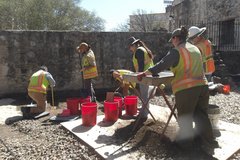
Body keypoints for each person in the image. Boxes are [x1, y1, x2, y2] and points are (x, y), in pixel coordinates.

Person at [137, 26, 218, 151]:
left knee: (185, 117)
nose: (172, 42)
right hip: (203, 86)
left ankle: (186, 146)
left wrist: (145, 73)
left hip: (187, 89)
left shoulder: (177, 51)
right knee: (201, 115)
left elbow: (162, 65)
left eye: (172, 39)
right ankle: (209, 142)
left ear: (176, 38)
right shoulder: (195, 48)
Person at [127, 36, 154, 121]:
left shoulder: (139, 51)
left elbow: (141, 65)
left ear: (133, 45)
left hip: (144, 75)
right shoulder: (143, 49)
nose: (130, 49)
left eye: (130, 47)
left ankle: (144, 115)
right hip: (148, 74)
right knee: (145, 94)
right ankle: (145, 109)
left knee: (144, 95)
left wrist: (139, 76)